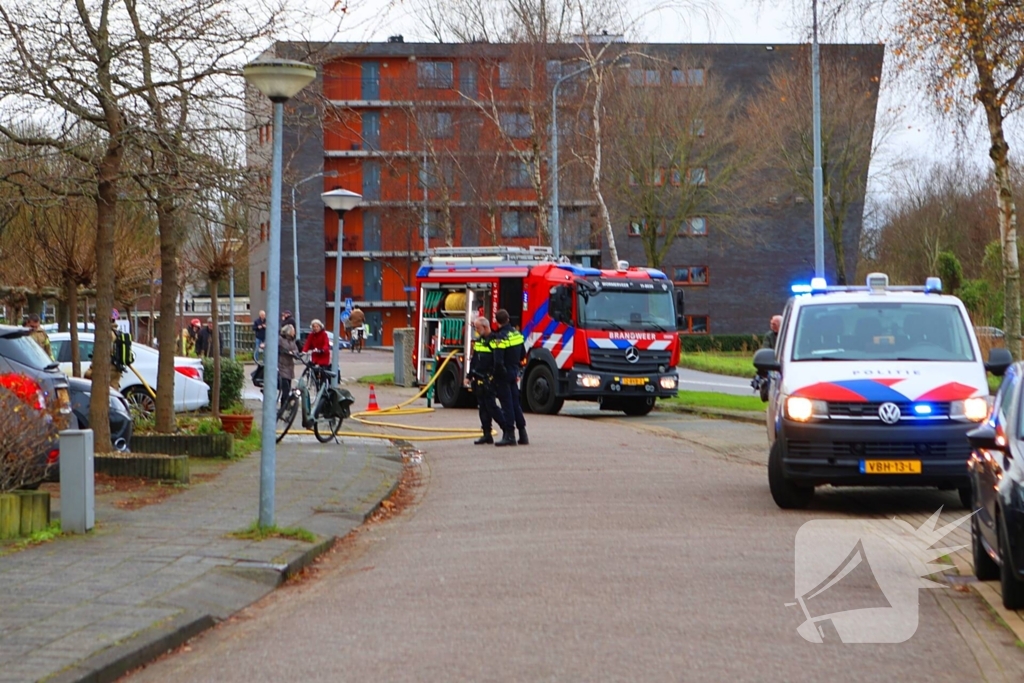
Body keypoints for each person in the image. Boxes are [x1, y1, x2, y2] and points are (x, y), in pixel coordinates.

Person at [490, 308, 527, 447]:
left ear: (497, 321)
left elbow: (498, 361)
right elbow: (523, 354)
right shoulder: (517, 334)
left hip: (503, 375)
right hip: (514, 371)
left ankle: (510, 435)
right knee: (515, 404)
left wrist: (497, 374)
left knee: (506, 405)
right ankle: (523, 434)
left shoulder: (500, 337)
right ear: (508, 319)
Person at [469, 316, 507, 445]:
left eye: (478, 328)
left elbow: (498, 362)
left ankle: (506, 429)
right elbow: (474, 360)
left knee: (492, 407)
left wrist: (492, 377)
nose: (477, 331)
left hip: (489, 379)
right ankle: (486, 434)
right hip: (479, 379)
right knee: (483, 408)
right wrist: (469, 376)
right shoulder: (479, 341)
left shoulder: (495, 340)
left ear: (485, 327)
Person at [277, 324, 299, 409]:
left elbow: (296, 350)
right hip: (281, 365)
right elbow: (276, 347)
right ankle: (284, 405)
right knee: (285, 387)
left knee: (288, 387)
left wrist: (294, 353)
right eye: (293, 331)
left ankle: (286, 404)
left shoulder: (292, 341)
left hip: (290, 366)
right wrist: (284, 351)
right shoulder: (281, 339)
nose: (294, 333)